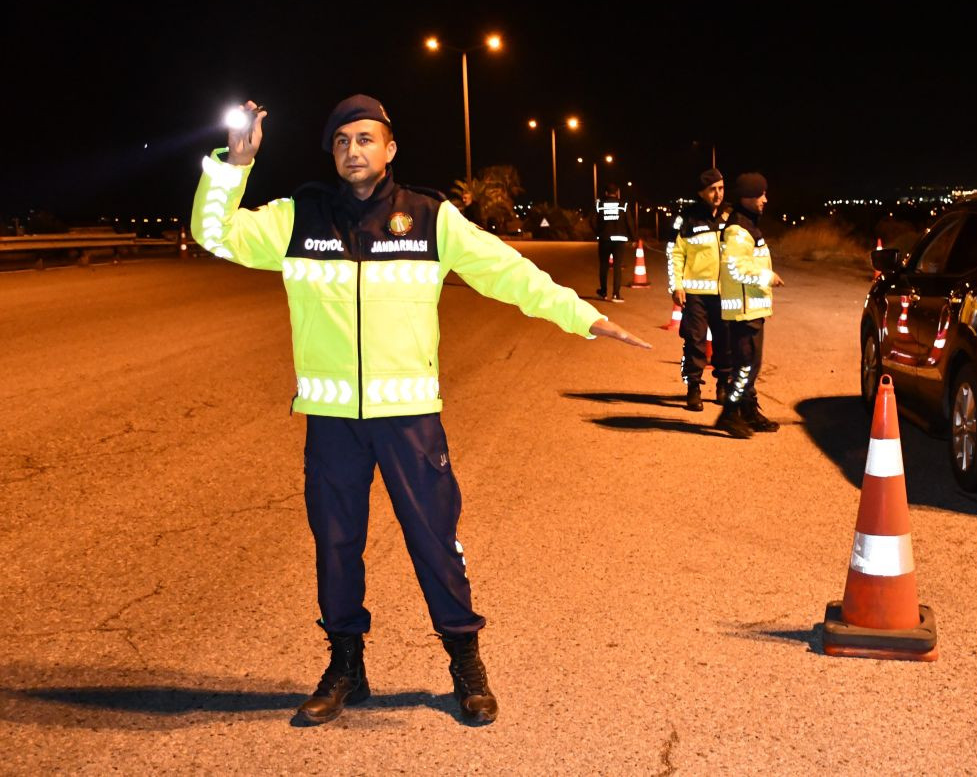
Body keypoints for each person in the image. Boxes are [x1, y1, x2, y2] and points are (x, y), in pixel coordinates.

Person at [191, 95, 649, 727]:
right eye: (343, 140)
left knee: (435, 542)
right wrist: (230, 167)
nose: (354, 150)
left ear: (390, 149)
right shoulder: (297, 216)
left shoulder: (430, 216)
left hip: (409, 418)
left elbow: (507, 272)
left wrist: (583, 316)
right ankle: (346, 667)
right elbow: (216, 234)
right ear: (334, 151)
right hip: (332, 423)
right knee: (336, 545)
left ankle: (465, 664)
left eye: (366, 139)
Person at [715, 172, 784, 438]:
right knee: (745, 365)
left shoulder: (749, 225)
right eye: (760, 194)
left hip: (752, 307)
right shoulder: (737, 230)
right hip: (743, 310)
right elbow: (735, 268)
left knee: (751, 364)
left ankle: (748, 410)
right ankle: (730, 415)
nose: (765, 199)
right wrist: (767, 277)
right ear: (746, 197)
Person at [667, 169, 734, 411]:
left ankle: (723, 385)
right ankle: (693, 387)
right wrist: (677, 286)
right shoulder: (688, 218)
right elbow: (675, 253)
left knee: (725, 341)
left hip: (725, 293)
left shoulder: (731, 217)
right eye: (712, 189)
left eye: (721, 188)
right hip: (695, 294)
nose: (718, 194)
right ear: (701, 193)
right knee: (694, 342)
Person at [593, 182, 635, 302]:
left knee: (603, 266)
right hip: (619, 240)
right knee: (617, 266)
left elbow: (592, 220)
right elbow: (630, 222)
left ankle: (603, 292)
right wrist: (634, 238)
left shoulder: (600, 205)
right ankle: (616, 294)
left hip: (604, 239)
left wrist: (598, 232)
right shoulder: (623, 205)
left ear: (606, 193)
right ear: (617, 193)